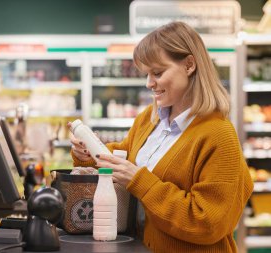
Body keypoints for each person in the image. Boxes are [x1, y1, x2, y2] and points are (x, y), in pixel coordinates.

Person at [69, 21, 253, 253]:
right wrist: (87, 153)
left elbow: (207, 223)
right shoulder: (150, 118)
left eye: (157, 73)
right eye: (147, 74)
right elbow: (125, 155)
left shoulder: (218, 135)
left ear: (189, 65)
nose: (149, 83)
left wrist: (140, 181)